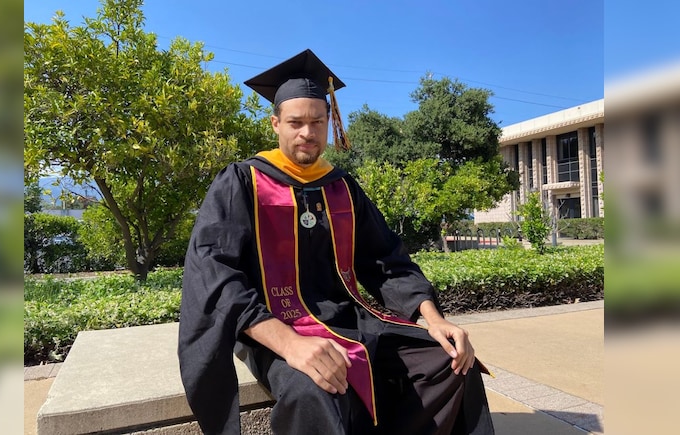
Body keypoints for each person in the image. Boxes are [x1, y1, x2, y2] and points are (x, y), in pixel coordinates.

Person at [178, 49, 494, 435]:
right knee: (314, 388)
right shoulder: (242, 183)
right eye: (295, 122)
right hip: (271, 326)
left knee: (450, 360)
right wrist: (290, 344)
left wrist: (434, 319)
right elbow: (214, 274)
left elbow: (386, 259)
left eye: (317, 121)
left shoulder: (342, 187)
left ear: (330, 122)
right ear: (275, 123)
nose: (307, 133)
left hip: (351, 320)